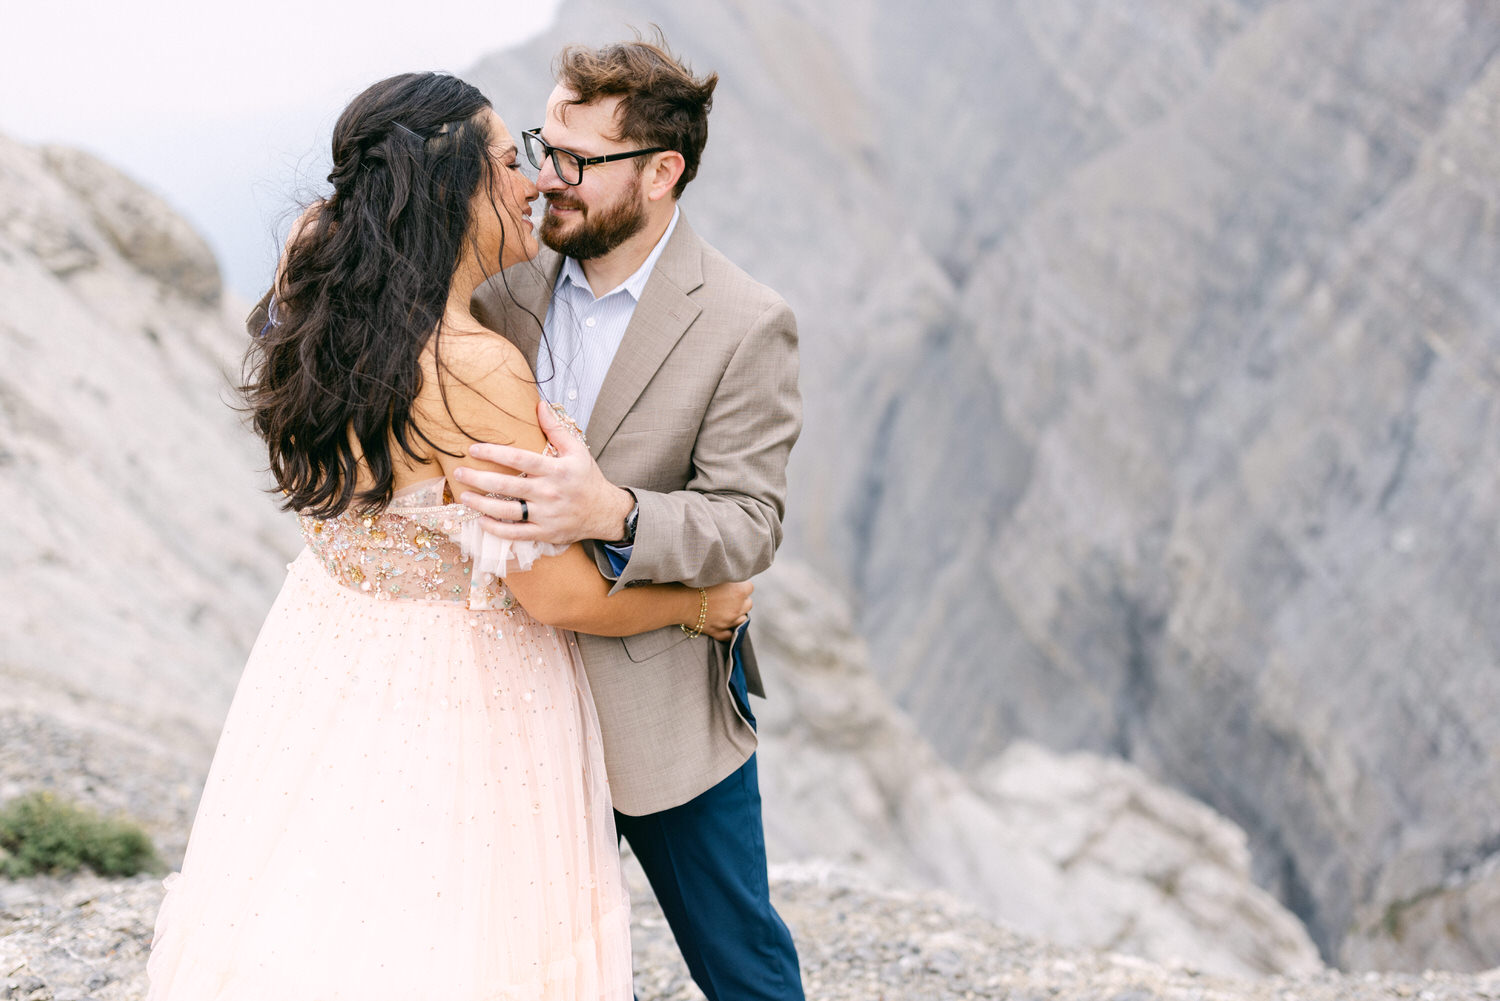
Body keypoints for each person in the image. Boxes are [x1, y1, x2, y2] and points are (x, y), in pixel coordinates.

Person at [144, 71, 752, 1001]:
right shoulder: (473, 368)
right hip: (468, 690)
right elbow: (551, 592)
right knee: (467, 934)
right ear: (450, 192)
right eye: (511, 162)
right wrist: (705, 602)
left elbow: (324, 220)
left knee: (330, 906)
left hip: (327, 658)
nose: (535, 183)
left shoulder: (317, 310)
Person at [458, 37, 806, 1001]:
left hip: (658, 709)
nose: (544, 179)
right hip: (506, 695)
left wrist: (611, 508)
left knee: (743, 966)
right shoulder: (500, 280)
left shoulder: (745, 320)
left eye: (575, 161)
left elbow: (747, 524)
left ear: (662, 173)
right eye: (542, 144)